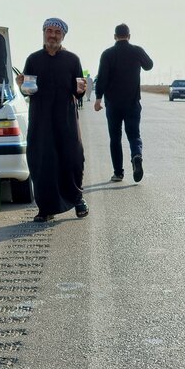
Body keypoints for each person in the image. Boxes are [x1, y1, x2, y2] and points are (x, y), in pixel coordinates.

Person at [16, 17, 88, 222]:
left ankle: (77, 199)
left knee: (73, 158)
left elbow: (78, 89)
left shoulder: (72, 59)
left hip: (65, 118)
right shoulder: (33, 59)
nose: (52, 35)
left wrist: (82, 90)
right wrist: (21, 85)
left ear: (63, 35)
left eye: (57, 32)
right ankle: (46, 208)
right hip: (41, 119)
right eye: (49, 31)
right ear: (43, 33)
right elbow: (28, 90)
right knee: (42, 161)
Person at [94, 23, 153, 182]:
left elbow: (102, 77)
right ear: (129, 36)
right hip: (132, 102)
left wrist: (98, 98)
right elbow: (149, 65)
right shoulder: (136, 51)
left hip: (113, 103)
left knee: (115, 137)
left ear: (115, 36)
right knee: (134, 135)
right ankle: (136, 156)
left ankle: (118, 173)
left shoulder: (107, 54)